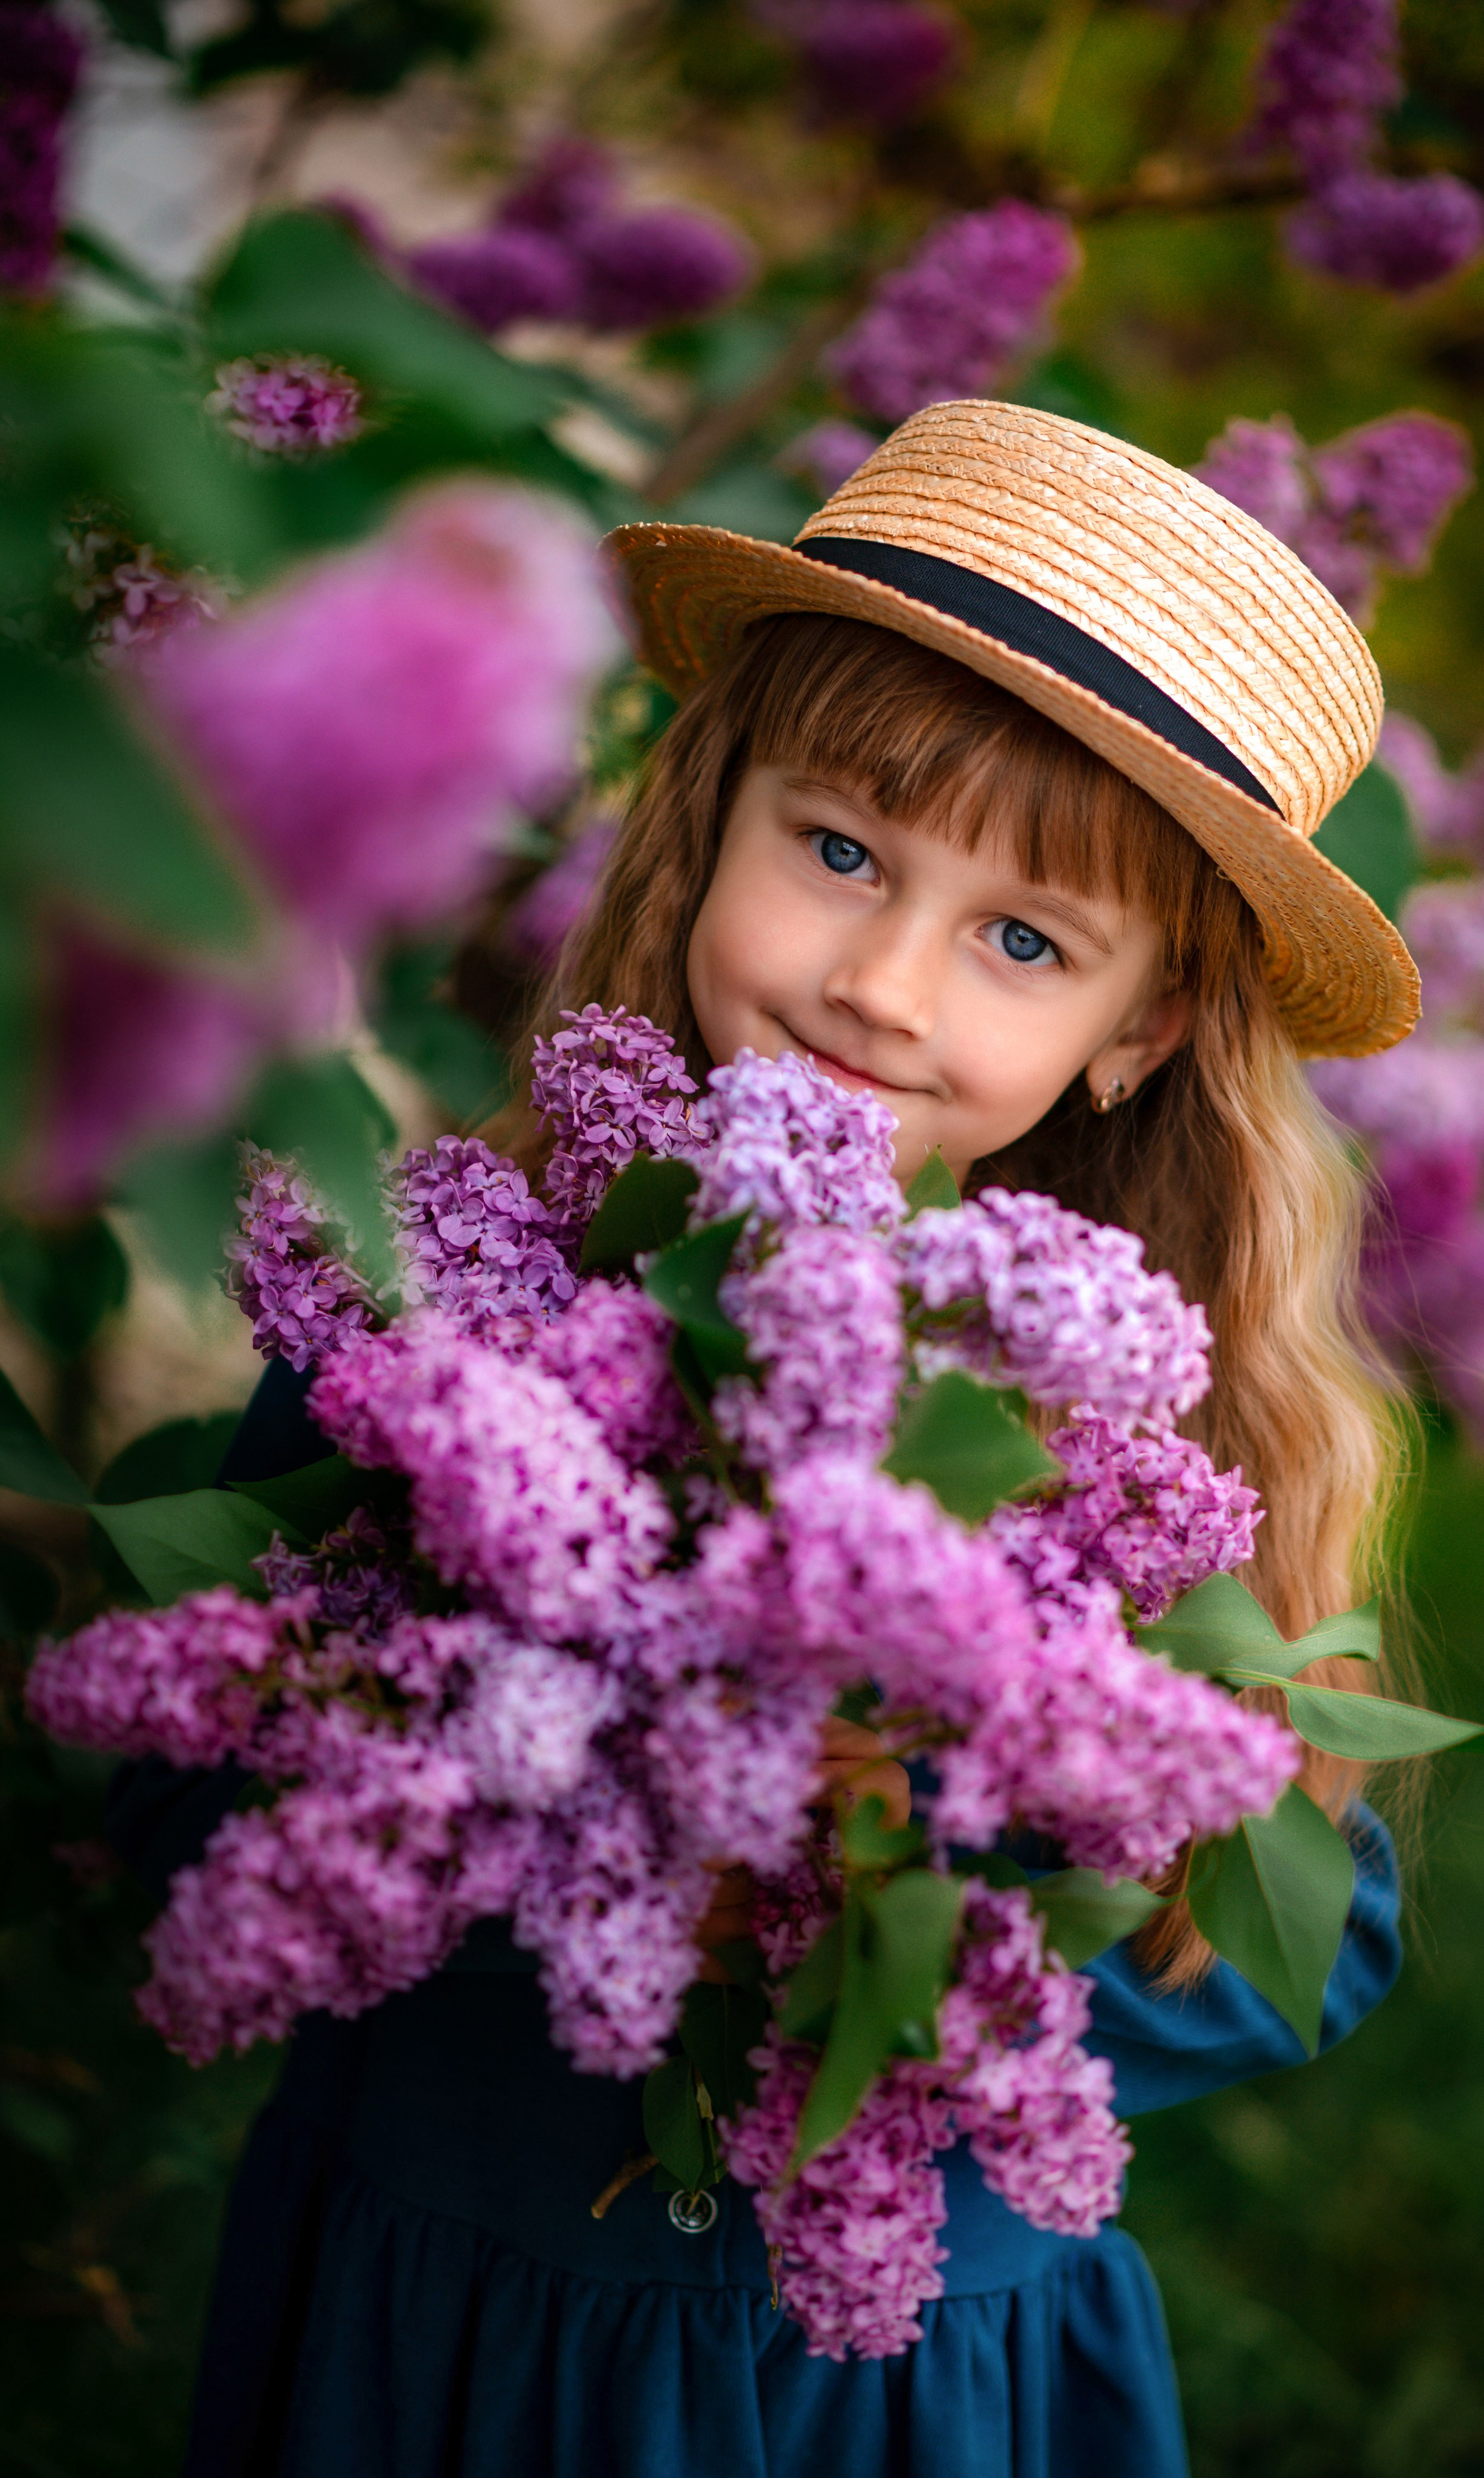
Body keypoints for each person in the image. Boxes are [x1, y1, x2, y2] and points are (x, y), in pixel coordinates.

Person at [112, 399, 1418, 2478]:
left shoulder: (1120, 1441)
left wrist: (884, 1921)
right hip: (448, 2305)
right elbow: (194, 1786)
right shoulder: (448, 1321)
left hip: (877, 2386)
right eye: (839, 851)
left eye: (1023, 941)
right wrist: (471, 1777)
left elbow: (1293, 1943)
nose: (884, 983)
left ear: (1142, 1028)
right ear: (714, 816)